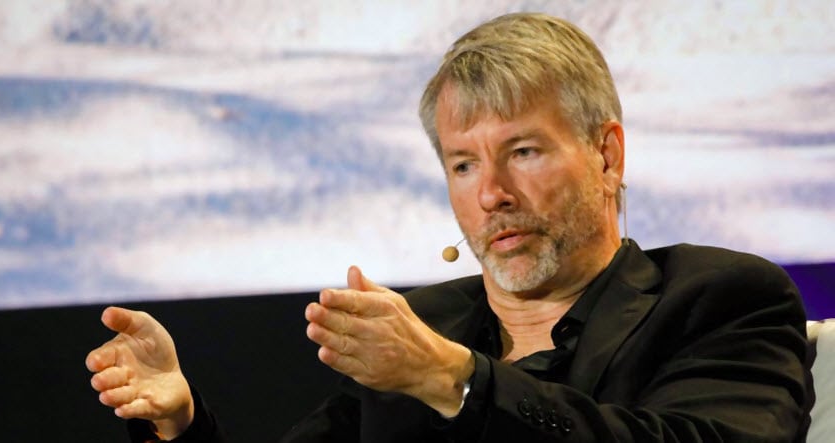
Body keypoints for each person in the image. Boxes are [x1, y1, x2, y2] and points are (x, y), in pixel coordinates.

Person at [86, 12, 811, 442]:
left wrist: (455, 380)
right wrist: (179, 424)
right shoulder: (429, 324)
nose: (492, 193)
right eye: (463, 165)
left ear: (606, 152)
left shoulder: (720, 296)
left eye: (522, 152)